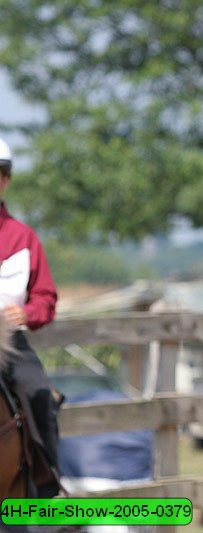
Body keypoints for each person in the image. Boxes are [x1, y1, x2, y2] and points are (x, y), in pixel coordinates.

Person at [0, 136, 61, 496]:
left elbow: (46, 298)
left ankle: (47, 481)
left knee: (39, 393)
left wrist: (26, 312)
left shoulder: (23, 238)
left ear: (4, 179)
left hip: (6, 341)